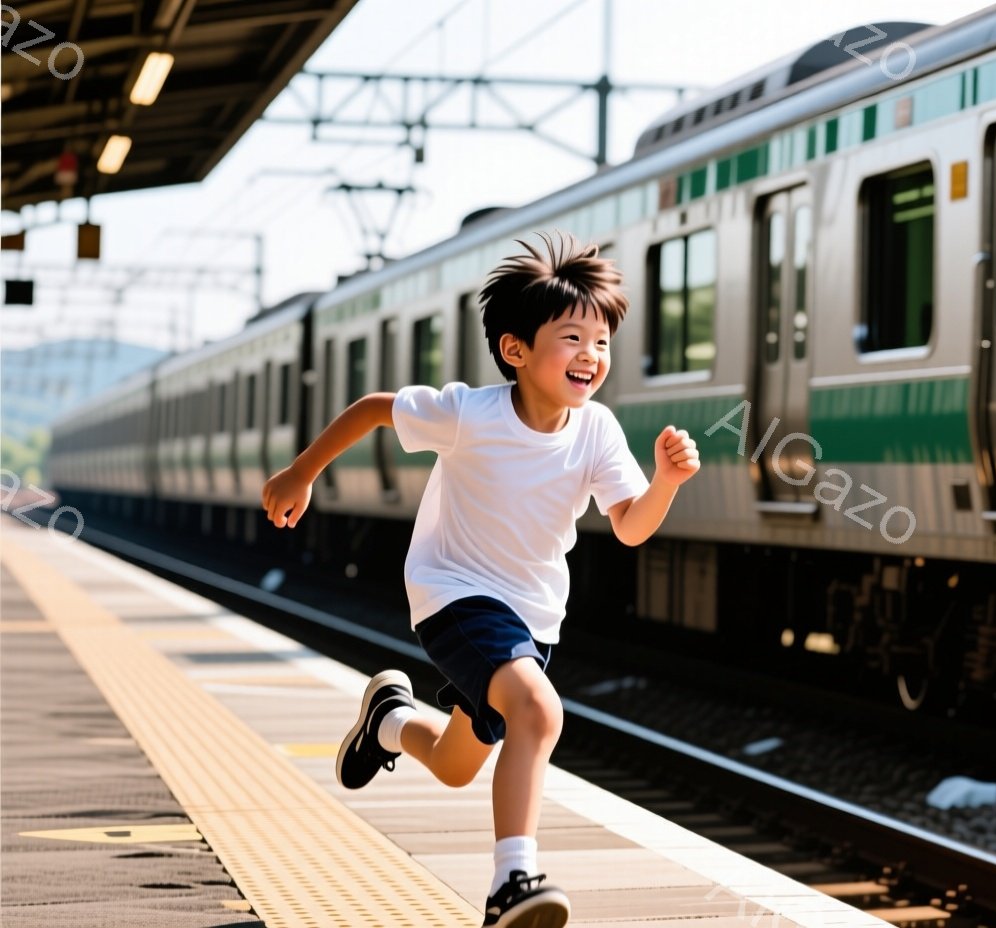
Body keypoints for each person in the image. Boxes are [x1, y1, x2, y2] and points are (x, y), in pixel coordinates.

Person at [262, 231, 701, 928]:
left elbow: (630, 525)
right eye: (571, 338)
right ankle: (511, 882)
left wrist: (669, 482)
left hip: (532, 618)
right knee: (539, 711)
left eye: (601, 343)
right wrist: (301, 472)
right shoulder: (471, 413)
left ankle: (387, 723)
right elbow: (378, 408)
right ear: (515, 350)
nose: (591, 356)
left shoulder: (598, 430)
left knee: (456, 762)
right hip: (453, 594)